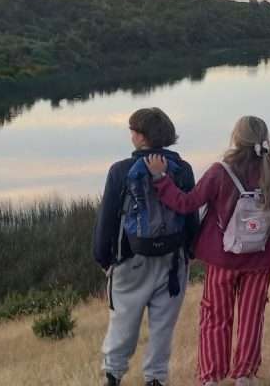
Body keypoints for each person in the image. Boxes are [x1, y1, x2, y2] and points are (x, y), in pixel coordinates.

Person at [147, 115, 270, 386]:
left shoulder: (220, 171)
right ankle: (245, 375)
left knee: (215, 317)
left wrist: (161, 179)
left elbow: (186, 203)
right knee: (252, 318)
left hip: (222, 258)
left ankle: (212, 376)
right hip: (260, 258)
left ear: (236, 138)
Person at [94, 107, 199, 386]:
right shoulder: (183, 169)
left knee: (122, 323)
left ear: (141, 136)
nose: (131, 135)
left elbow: (107, 219)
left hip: (130, 260)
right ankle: (155, 378)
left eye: (132, 131)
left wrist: (103, 258)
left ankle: (113, 375)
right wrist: (190, 250)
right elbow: (190, 212)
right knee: (163, 327)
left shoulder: (120, 170)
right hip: (173, 261)